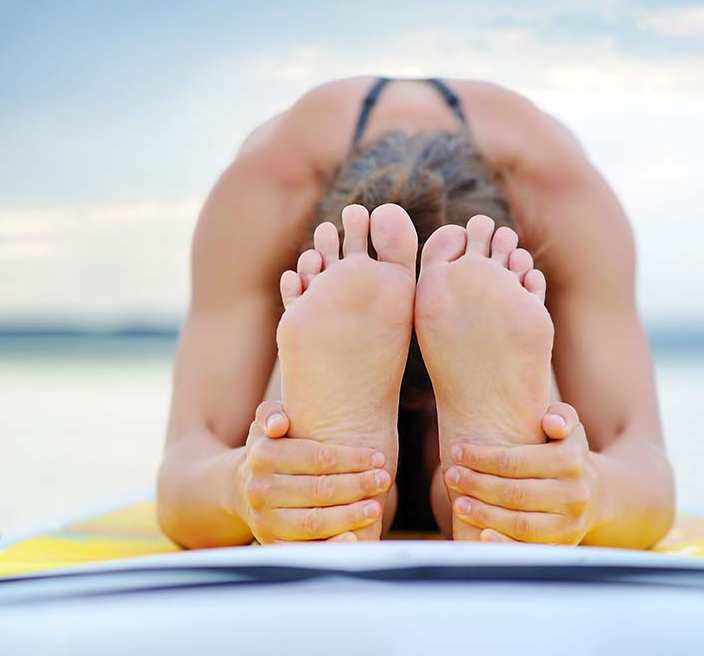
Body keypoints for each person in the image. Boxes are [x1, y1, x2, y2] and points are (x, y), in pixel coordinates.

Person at [156, 77, 675, 546]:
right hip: (333, 370)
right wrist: (249, 480)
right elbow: (649, 479)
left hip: (468, 370)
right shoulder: (269, 186)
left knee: (489, 441)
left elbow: (182, 483)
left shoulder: (559, 192)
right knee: (317, 448)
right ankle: (478, 486)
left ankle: (359, 483)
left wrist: (581, 486)